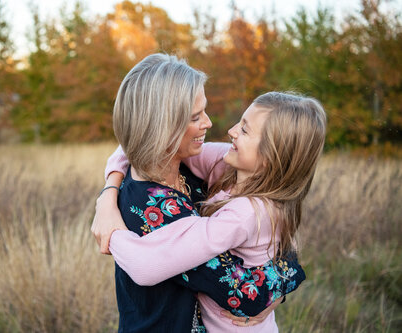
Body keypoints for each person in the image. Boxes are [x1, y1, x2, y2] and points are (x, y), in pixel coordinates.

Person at [91, 53, 307, 332]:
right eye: (196, 116)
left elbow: (275, 185)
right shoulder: (150, 210)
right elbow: (242, 295)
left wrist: (108, 191)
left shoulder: (191, 164)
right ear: (164, 127)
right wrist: (287, 274)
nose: (209, 123)